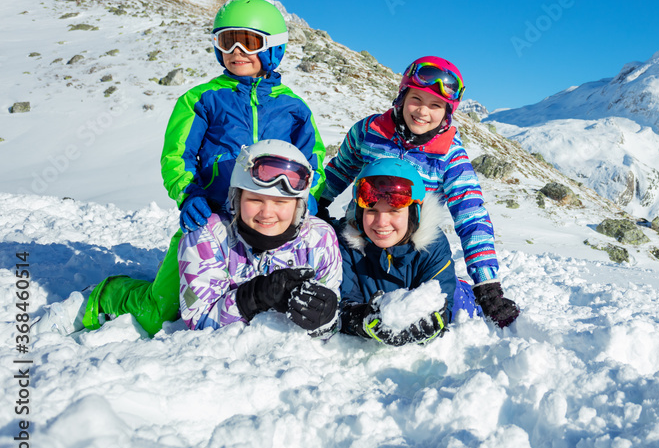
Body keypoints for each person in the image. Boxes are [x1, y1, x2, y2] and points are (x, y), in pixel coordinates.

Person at [82, 0, 327, 336]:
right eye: (227, 41)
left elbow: (311, 160)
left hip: (268, 225)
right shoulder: (203, 98)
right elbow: (177, 155)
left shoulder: (293, 108)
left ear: (273, 47)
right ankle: (109, 294)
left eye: (249, 41)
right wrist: (189, 194)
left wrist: (309, 194)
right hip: (210, 219)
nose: (237, 50)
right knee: (164, 313)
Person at [318, 56, 520, 329]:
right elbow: (339, 171)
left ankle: (459, 295)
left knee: (435, 305)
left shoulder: (449, 155)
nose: (423, 112)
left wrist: (487, 284)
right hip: (364, 238)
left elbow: (471, 216)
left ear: (447, 112)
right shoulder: (369, 132)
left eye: (435, 105)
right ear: (402, 97)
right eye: (417, 99)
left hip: (413, 251)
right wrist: (316, 203)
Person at [180, 140, 341, 333]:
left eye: (281, 202)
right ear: (236, 199)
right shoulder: (209, 236)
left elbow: (330, 325)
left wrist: (326, 315)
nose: (267, 213)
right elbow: (199, 319)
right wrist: (255, 296)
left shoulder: (320, 239)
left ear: (298, 206)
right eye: (255, 199)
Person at [336, 158, 479, 345]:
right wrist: (364, 320)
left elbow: (443, 304)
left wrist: (431, 321)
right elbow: (343, 304)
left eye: (394, 210)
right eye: (372, 211)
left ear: (413, 213)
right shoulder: (346, 244)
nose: (381, 222)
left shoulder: (432, 245)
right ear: (359, 213)